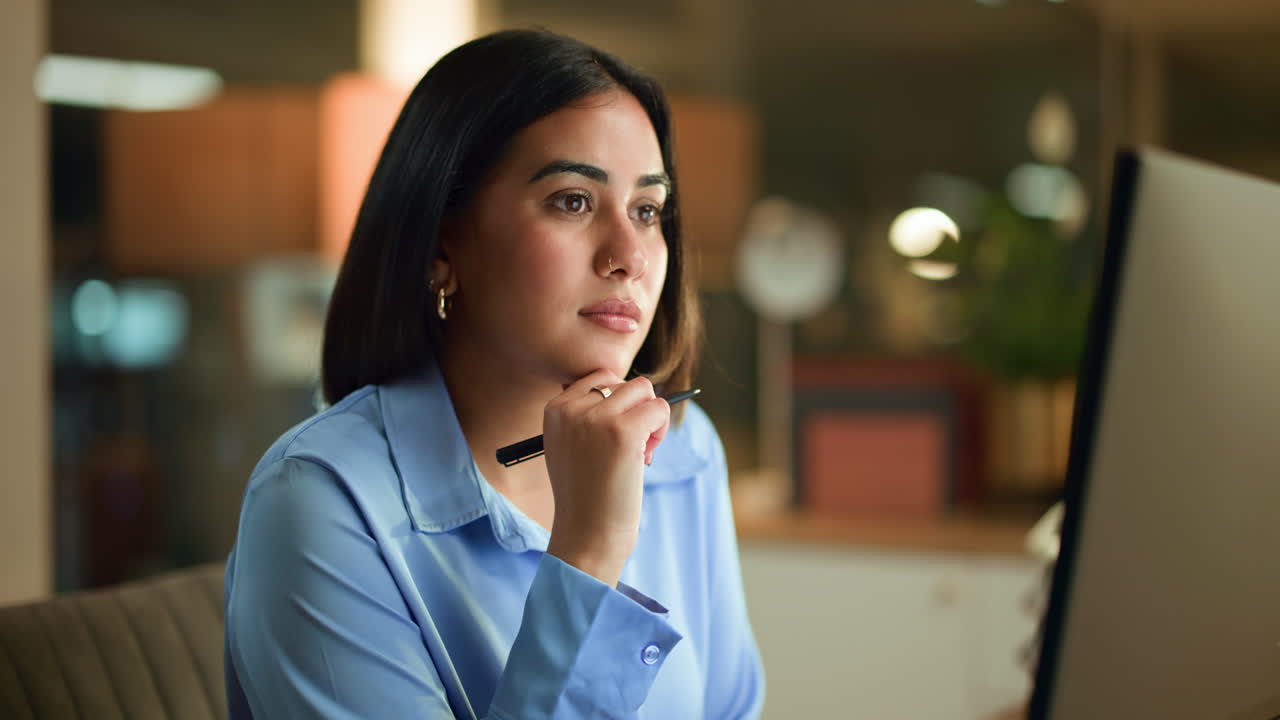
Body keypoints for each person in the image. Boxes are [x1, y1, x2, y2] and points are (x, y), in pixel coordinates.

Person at [223, 28, 765, 719]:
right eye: (572, 200)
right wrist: (590, 552)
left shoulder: (684, 452)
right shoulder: (322, 501)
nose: (630, 255)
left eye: (648, 210)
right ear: (441, 244)